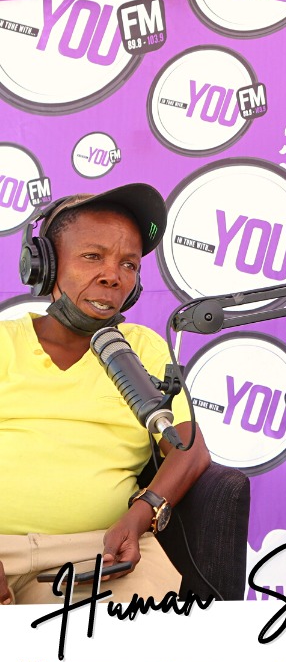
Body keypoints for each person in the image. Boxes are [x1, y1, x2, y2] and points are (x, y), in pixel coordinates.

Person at [0, 183, 210, 605]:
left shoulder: (144, 348)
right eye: (93, 256)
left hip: (101, 551)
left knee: (128, 638)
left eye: (128, 264)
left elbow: (189, 450)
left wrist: (141, 514)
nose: (113, 276)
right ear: (44, 264)